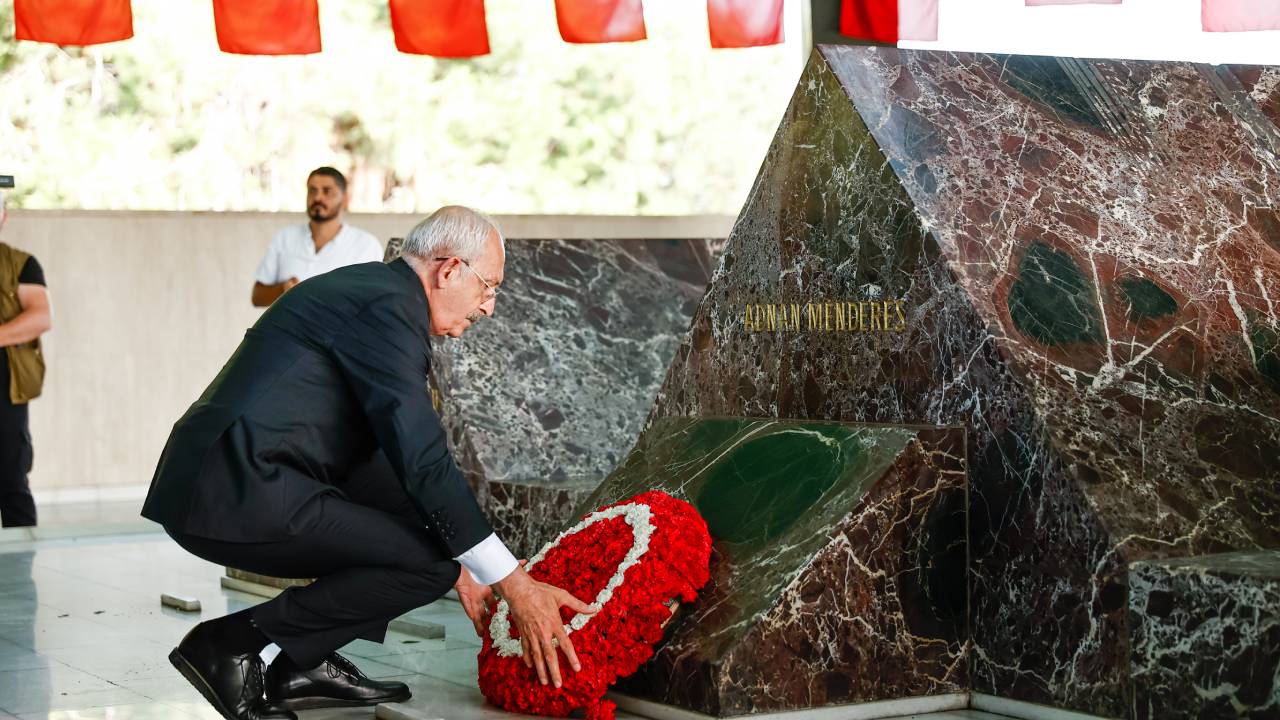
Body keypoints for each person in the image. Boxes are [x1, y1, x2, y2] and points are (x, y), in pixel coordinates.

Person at [143, 206, 594, 720]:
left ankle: (300, 663)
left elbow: (386, 458)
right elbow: (422, 458)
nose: (489, 307)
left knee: (433, 557)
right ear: (449, 270)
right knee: (428, 567)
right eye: (489, 287)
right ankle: (229, 643)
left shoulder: (380, 294)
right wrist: (515, 584)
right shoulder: (388, 307)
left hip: (245, 480)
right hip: (233, 488)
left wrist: (470, 567)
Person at [251, 167, 383, 307]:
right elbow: (257, 297)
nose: (318, 197)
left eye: (327, 191)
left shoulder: (366, 245)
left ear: (345, 199)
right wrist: (283, 290)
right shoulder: (285, 238)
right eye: (312, 191)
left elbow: (379, 303)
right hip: (287, 329)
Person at [0, 184, 53, 528]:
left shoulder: (20, 264)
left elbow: (41, 316)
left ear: (3, 217)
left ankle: (19, 572)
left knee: (10, 481)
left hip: (6, 390)